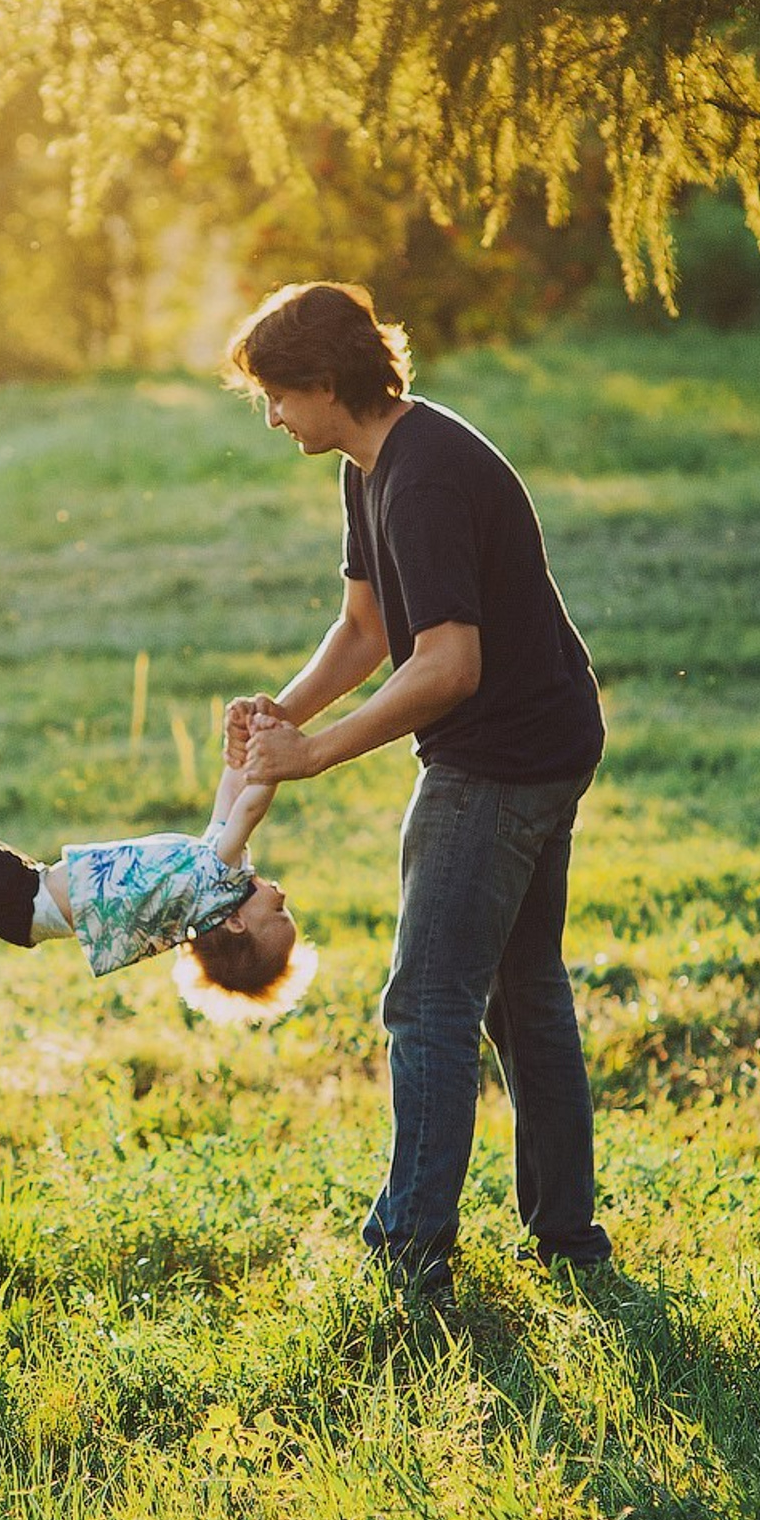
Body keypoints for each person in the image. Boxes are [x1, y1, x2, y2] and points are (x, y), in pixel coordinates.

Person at [223, 281, 611, 1306]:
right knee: (523, 991)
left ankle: (411, 1253)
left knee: (428, 997)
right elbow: (367, 629)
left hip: (504, 755)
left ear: (322, 381)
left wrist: (318, 755)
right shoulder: (375, 464)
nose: (269, 418)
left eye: (275, 396)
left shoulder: (428, 476)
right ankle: (569, 1241)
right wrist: (284, 712)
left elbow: (447, 666)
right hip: (542, 735)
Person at [0, 755, 317, 1023]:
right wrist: (238, 753)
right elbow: (230, 803)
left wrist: (274, 763)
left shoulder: (217, 886)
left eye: (277, 915)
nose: (282, 896)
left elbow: (250, 807)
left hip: (22, 903)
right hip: (28, 889)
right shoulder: (215, 879)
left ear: (235, 922)